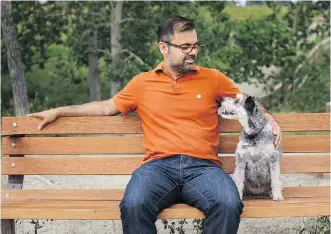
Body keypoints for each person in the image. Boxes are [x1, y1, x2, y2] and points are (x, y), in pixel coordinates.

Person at [28, 16, 282, 234]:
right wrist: (59, 111)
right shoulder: (142, 83)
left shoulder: (212, 78)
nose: (192, 51)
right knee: (134, 205)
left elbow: (247, 102)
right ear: (164, 47)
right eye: (184, 46)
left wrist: (271, 121)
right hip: (158, 167)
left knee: (228, 203)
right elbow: (106, 107)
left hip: (203, 168)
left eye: (195, 45)